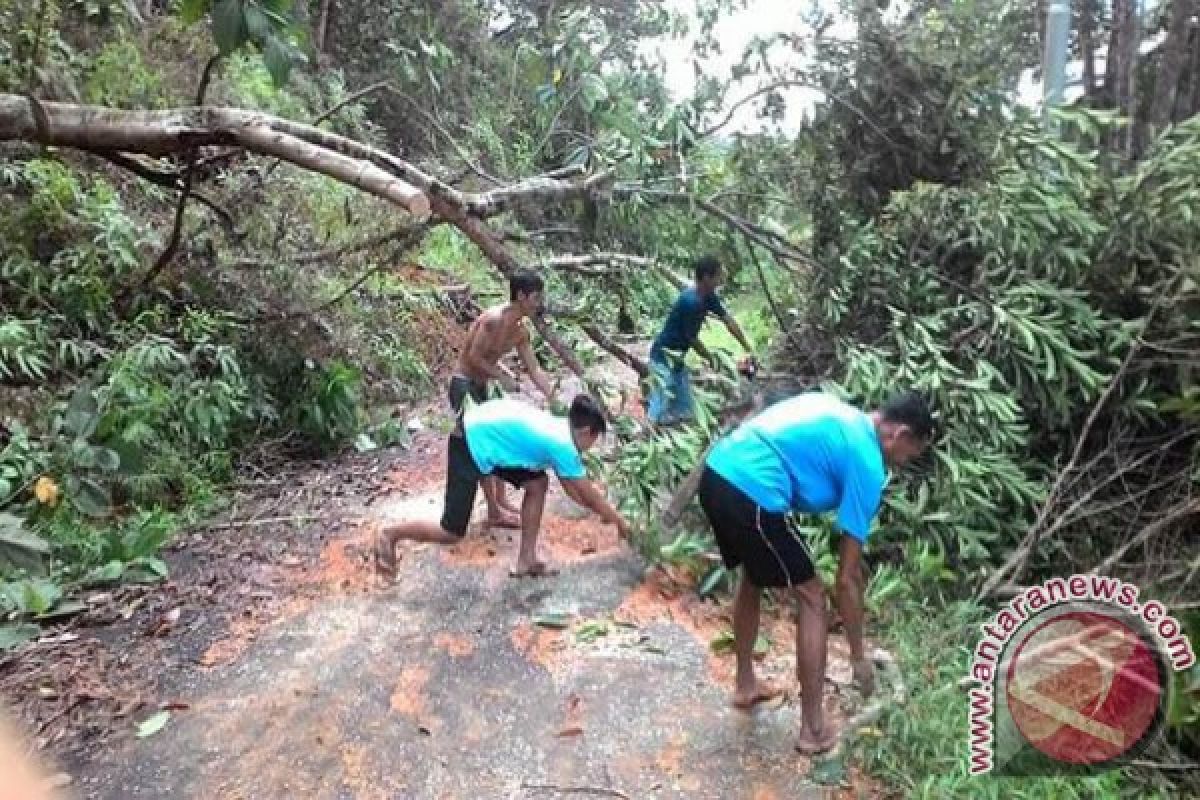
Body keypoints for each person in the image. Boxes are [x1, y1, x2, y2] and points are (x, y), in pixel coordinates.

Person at [696, 390, 934, 754]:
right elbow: (847, 578)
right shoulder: (868, 462)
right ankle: (813, 730)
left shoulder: (840, 411)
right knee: (812, 596)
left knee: (754, 576)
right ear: (899, 435)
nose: (904, 463)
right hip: (751, 489)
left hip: (716, 473)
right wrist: (858, 655)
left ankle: (746, 685)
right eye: (910, 454)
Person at [374, 394, 632, 578]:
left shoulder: (560, 429)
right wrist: (621, 524)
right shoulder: (563, 446)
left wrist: (605, 516)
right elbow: (589, 496)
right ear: (587, 432)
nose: (593, 446)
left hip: (483, 430)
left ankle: (526, 560)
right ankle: (390, 534)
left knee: (538, 483)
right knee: (451, 532)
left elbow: (573, 491)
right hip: (470, 441)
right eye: (596, 439)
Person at [450, 270, 557, 529]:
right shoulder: (493, 320)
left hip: (485, 386)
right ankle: (493, 511)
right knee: (481, 446)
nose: (539, 303)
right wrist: (503, 376)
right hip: (464, 385)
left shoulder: (520, 332)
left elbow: (534, 369)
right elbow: (474, 357)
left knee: (498, 440)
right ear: (520, 296)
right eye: (535, 297)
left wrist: (554, 397)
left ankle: (500, 500)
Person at [646, 255, 754, 425]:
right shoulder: (690, 302)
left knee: (685, 409)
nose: (721, 280)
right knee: (659, 402)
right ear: (706, 277)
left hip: (678, 357)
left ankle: (671, 434)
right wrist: (711, 359)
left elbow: (728, 320)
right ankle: (647, 434)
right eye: (718, 276)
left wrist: (747, 346)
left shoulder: (709, 296)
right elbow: (692, 338)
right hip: (663, 356)